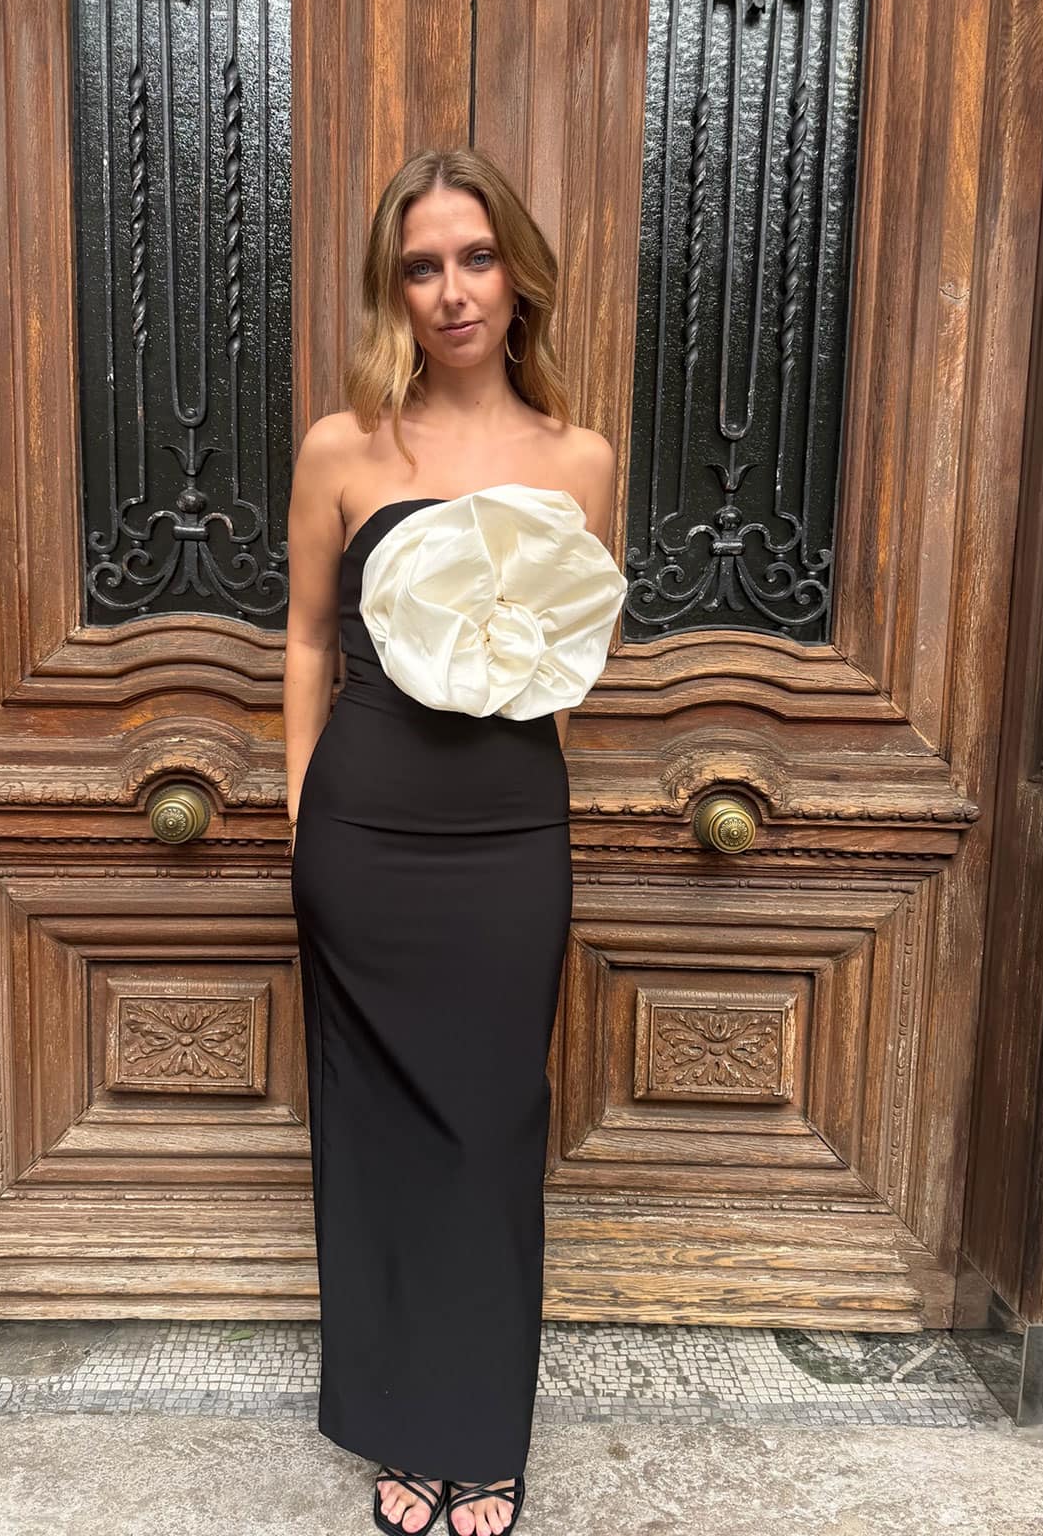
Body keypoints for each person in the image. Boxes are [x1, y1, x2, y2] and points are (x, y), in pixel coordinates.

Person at [284, 147, 627, 1536]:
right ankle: (400, 1426)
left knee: (493, 1128)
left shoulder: (580, 459)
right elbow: (307, 639)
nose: (453, 290)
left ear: (518, 273)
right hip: (364, 827)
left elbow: (563, 654)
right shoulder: (342, 448)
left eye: (476, 258)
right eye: (422, 266)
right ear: (395, 289)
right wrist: (302, 816)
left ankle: (481, 1432)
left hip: (508, 830)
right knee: (372, 1131)